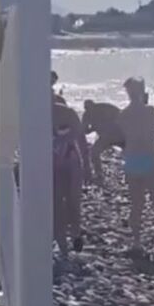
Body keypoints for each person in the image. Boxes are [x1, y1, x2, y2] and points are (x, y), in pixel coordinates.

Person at [116, 77, 154, 265]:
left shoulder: (123, 114)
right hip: (150, 159)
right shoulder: (150, 110)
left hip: (133, 159)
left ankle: (137, 241)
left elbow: (123, 136)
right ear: (143, 91)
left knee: (137, 203)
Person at [52, 71, 91, 253]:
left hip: (71, 161)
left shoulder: (66, 113)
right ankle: (63, 246)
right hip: (53, 164)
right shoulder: (32, 114)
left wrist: (88, 165)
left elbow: (81, 139)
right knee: (57, 205)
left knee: (73, 202)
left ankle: (75, 234)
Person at [81, 100, 124, 183]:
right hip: (105, 138)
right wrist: (92, 128)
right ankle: (99, 173)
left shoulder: (105, 107)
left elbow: (121, 115)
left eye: (90, 108)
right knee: (94, 152)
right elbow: (84, 130)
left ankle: (137, 173)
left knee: (130, 153)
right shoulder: (86, 115)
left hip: (119, 134)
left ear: (94, 105)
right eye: (87, 109)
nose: (90, 111)